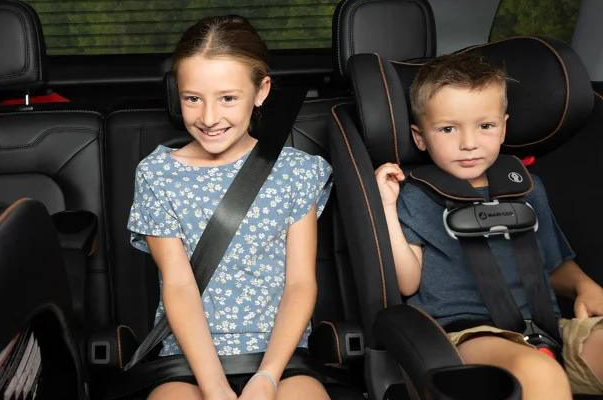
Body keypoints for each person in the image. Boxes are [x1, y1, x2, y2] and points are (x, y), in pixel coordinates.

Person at [127, 15, 333, 400]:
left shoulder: (296, 172)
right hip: (188, 360)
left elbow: (301, 282)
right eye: (192, 99)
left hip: (281, 357)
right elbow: (179, 285)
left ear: (261, 91)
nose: (208, 118)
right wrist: (215, 387)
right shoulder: (157, 174)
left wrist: (268, 376)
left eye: (227, 98)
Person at [375, 53, 603, 399]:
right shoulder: (415, 195)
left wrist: (585, 286)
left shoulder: (527, 186)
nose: (469, 142)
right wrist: (387, 208)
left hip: (547, 327)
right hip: (467, 336)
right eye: (448, 128)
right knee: (538, 372)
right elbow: (408, 282)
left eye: (485, 126)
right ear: (419, 137)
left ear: (504, 127)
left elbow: (554, 265)